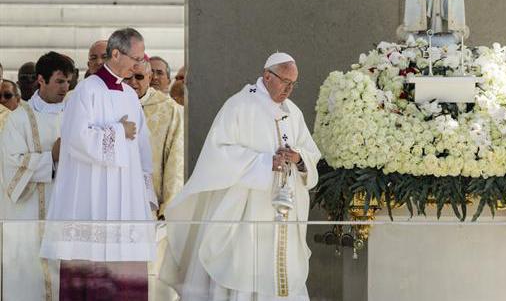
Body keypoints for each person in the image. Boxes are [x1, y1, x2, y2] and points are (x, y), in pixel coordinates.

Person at [162, 52, 320, 301]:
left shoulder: (293, 112)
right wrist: (264, 162)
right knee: (243, 269)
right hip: (246, 211)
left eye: (293, 84)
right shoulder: (239, 106)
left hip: (284, 211)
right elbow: (219, 152)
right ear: (267, 76)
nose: (289, 89)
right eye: (285, 82)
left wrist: (299, 159)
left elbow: (311, 153)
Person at [40, 28, 157, 301]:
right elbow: (76, 140)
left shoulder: (129, 94)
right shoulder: (86, 91)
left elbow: (142, 147)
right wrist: (118, 132)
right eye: (135, 59)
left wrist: (145, 193)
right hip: (92, 201)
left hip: (126, 203)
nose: (138, 66)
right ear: (115, 54)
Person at [1, 52, 75, 301]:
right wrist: (50, 158)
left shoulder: (76, 116)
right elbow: (11, 167)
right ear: (41, 80)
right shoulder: (19, 119)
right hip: (29, 218)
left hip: (68, 214)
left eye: (68, 82)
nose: (65, 88)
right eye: (60, 81)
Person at [123, 60, 184, 217]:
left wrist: (168, 209)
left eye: (139, 77)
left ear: (149, 77)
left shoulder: (169, 109)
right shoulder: (110, 102)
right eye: (127, 77)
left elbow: (176, 160)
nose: (133, 82)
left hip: (150, 203)